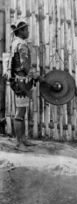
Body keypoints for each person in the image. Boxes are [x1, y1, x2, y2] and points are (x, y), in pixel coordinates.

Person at [5, 20, 38, 151]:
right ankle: (19, 143)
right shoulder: (21, 44)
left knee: (22, 111)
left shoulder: (15, 42)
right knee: (20, 113)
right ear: (21, 32)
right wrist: (35, 75)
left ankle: (23, 139)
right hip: (21, 81)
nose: (28, 32)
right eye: (26, 30)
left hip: (18, 79)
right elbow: (25, 65)